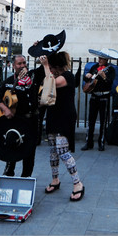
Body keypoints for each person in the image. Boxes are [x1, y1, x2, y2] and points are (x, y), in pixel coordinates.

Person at [40, 51, 84, 202]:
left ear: (57, 67)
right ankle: (55, 180)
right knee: (53, 150)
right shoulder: (53, 74)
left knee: (63, 151)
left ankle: (78, 183)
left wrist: (46, 65)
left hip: (65, 116)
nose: (49, 69)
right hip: (53, 115)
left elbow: (50, 82)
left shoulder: (67, 76)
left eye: (52, 67)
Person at [0, 54, 39, 177]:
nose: (23, 66)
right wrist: (5, 109)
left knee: (29, 150)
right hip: (15, 120)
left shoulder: (33, 78)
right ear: (13, 66)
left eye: (24, 63)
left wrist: (38, 49)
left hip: (30, 120)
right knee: (12, 145)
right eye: (19, 64)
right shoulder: (8, 82)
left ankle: (26, 177)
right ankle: (9, 173)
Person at [81, 49, 118, 151]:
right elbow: (88, 80)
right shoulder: (94, 67)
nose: (100, 59)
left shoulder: (110, 70)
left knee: (103, 121)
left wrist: (104, 77)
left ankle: (101, 142)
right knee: (91, 120)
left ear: (106, 59)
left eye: (102, 58)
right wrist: (86, 77)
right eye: (99, 58)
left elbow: (110, 83)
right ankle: (89, 142)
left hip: (104, 97)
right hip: (94, 96)